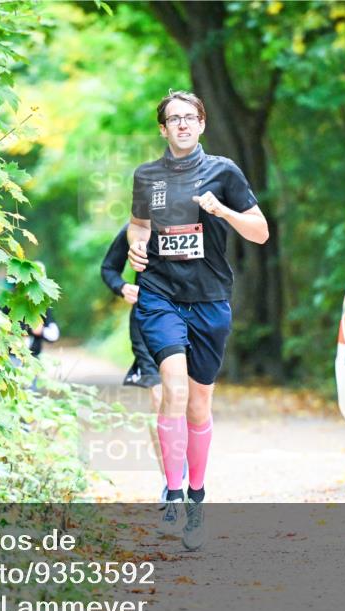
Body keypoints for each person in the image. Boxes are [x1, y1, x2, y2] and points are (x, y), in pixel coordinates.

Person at [126, 91, 268, 551]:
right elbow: (138, 224)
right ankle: (171, 490)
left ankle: (197, 498)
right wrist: (137, 244)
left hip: (209, 299)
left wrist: (222, 211)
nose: (183, 125)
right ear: (163, 129)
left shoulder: (224, 172)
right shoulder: (147, 176)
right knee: (175, 388)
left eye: (190, 117)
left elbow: (260, 232)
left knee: (199, 405)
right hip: (160, 295)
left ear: (202, 125)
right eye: (174, 119)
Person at [100, 225, 186, 506]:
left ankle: (186, 466)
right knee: (160, 397)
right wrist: (122, 286)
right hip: (147, 321)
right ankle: (170, 483)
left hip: (187, 317)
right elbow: (109, 268)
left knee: (187, 398)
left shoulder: (190, 225)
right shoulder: (135, 230)